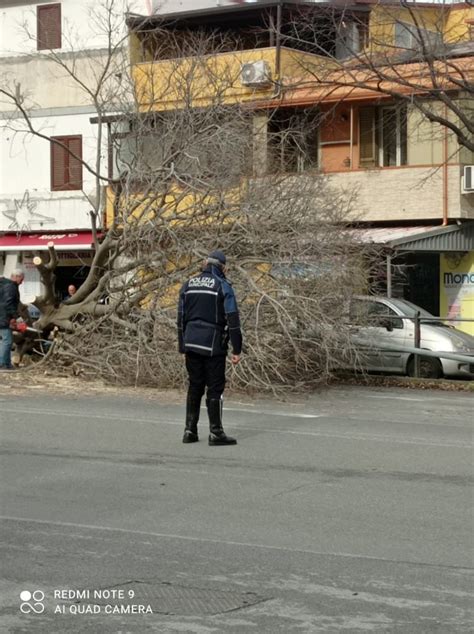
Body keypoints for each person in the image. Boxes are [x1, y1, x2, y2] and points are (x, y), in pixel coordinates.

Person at [177, 250, 242, 446]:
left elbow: (180, 320)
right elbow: (233, 321)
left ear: (205, 264)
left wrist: (182, 346)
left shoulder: (187, 285)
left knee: (195, 386)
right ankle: (216, 433)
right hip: (213, 345)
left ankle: (190, 431)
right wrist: (237, 349)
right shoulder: (223, 287)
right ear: (222, 267)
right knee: (215, 388)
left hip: (191, 343)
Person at [0, 268, 25, 370]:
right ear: (16, 277)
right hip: (3, 317)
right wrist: (16, 317)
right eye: (21, 279)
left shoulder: (5, 285)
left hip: (4, 316)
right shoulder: (11, 287)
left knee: (7, 341)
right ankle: (3, 364)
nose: (22, 282)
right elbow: (8, 304)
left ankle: (6, 363)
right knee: (7, 341)